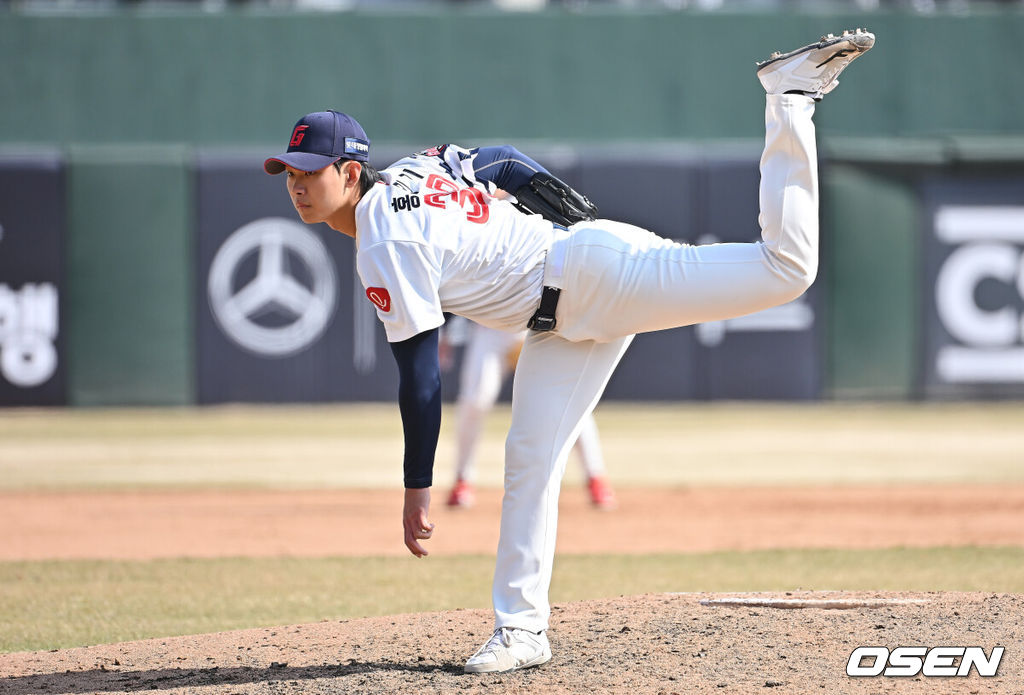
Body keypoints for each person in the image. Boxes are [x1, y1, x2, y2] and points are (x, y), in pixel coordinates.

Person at [263, 28, 875, 674]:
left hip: (591, 278)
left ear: (348, 172)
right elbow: (502, 162)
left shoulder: (383, 238)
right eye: (289, 172)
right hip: (562, 315)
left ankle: (789, 98)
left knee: (785, 268)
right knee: (530, 458)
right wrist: (572, 212)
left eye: (309, 171)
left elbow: (420, 377)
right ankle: (521, 630)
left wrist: (417, 486)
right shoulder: (415, 169)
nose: (296, 184)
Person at [441, 317, 616, 509]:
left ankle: (595, 476)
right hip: (491, 327)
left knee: (567, 400)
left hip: (537, 327)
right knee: (475, 400)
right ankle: (462, 479)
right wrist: (445, 330)